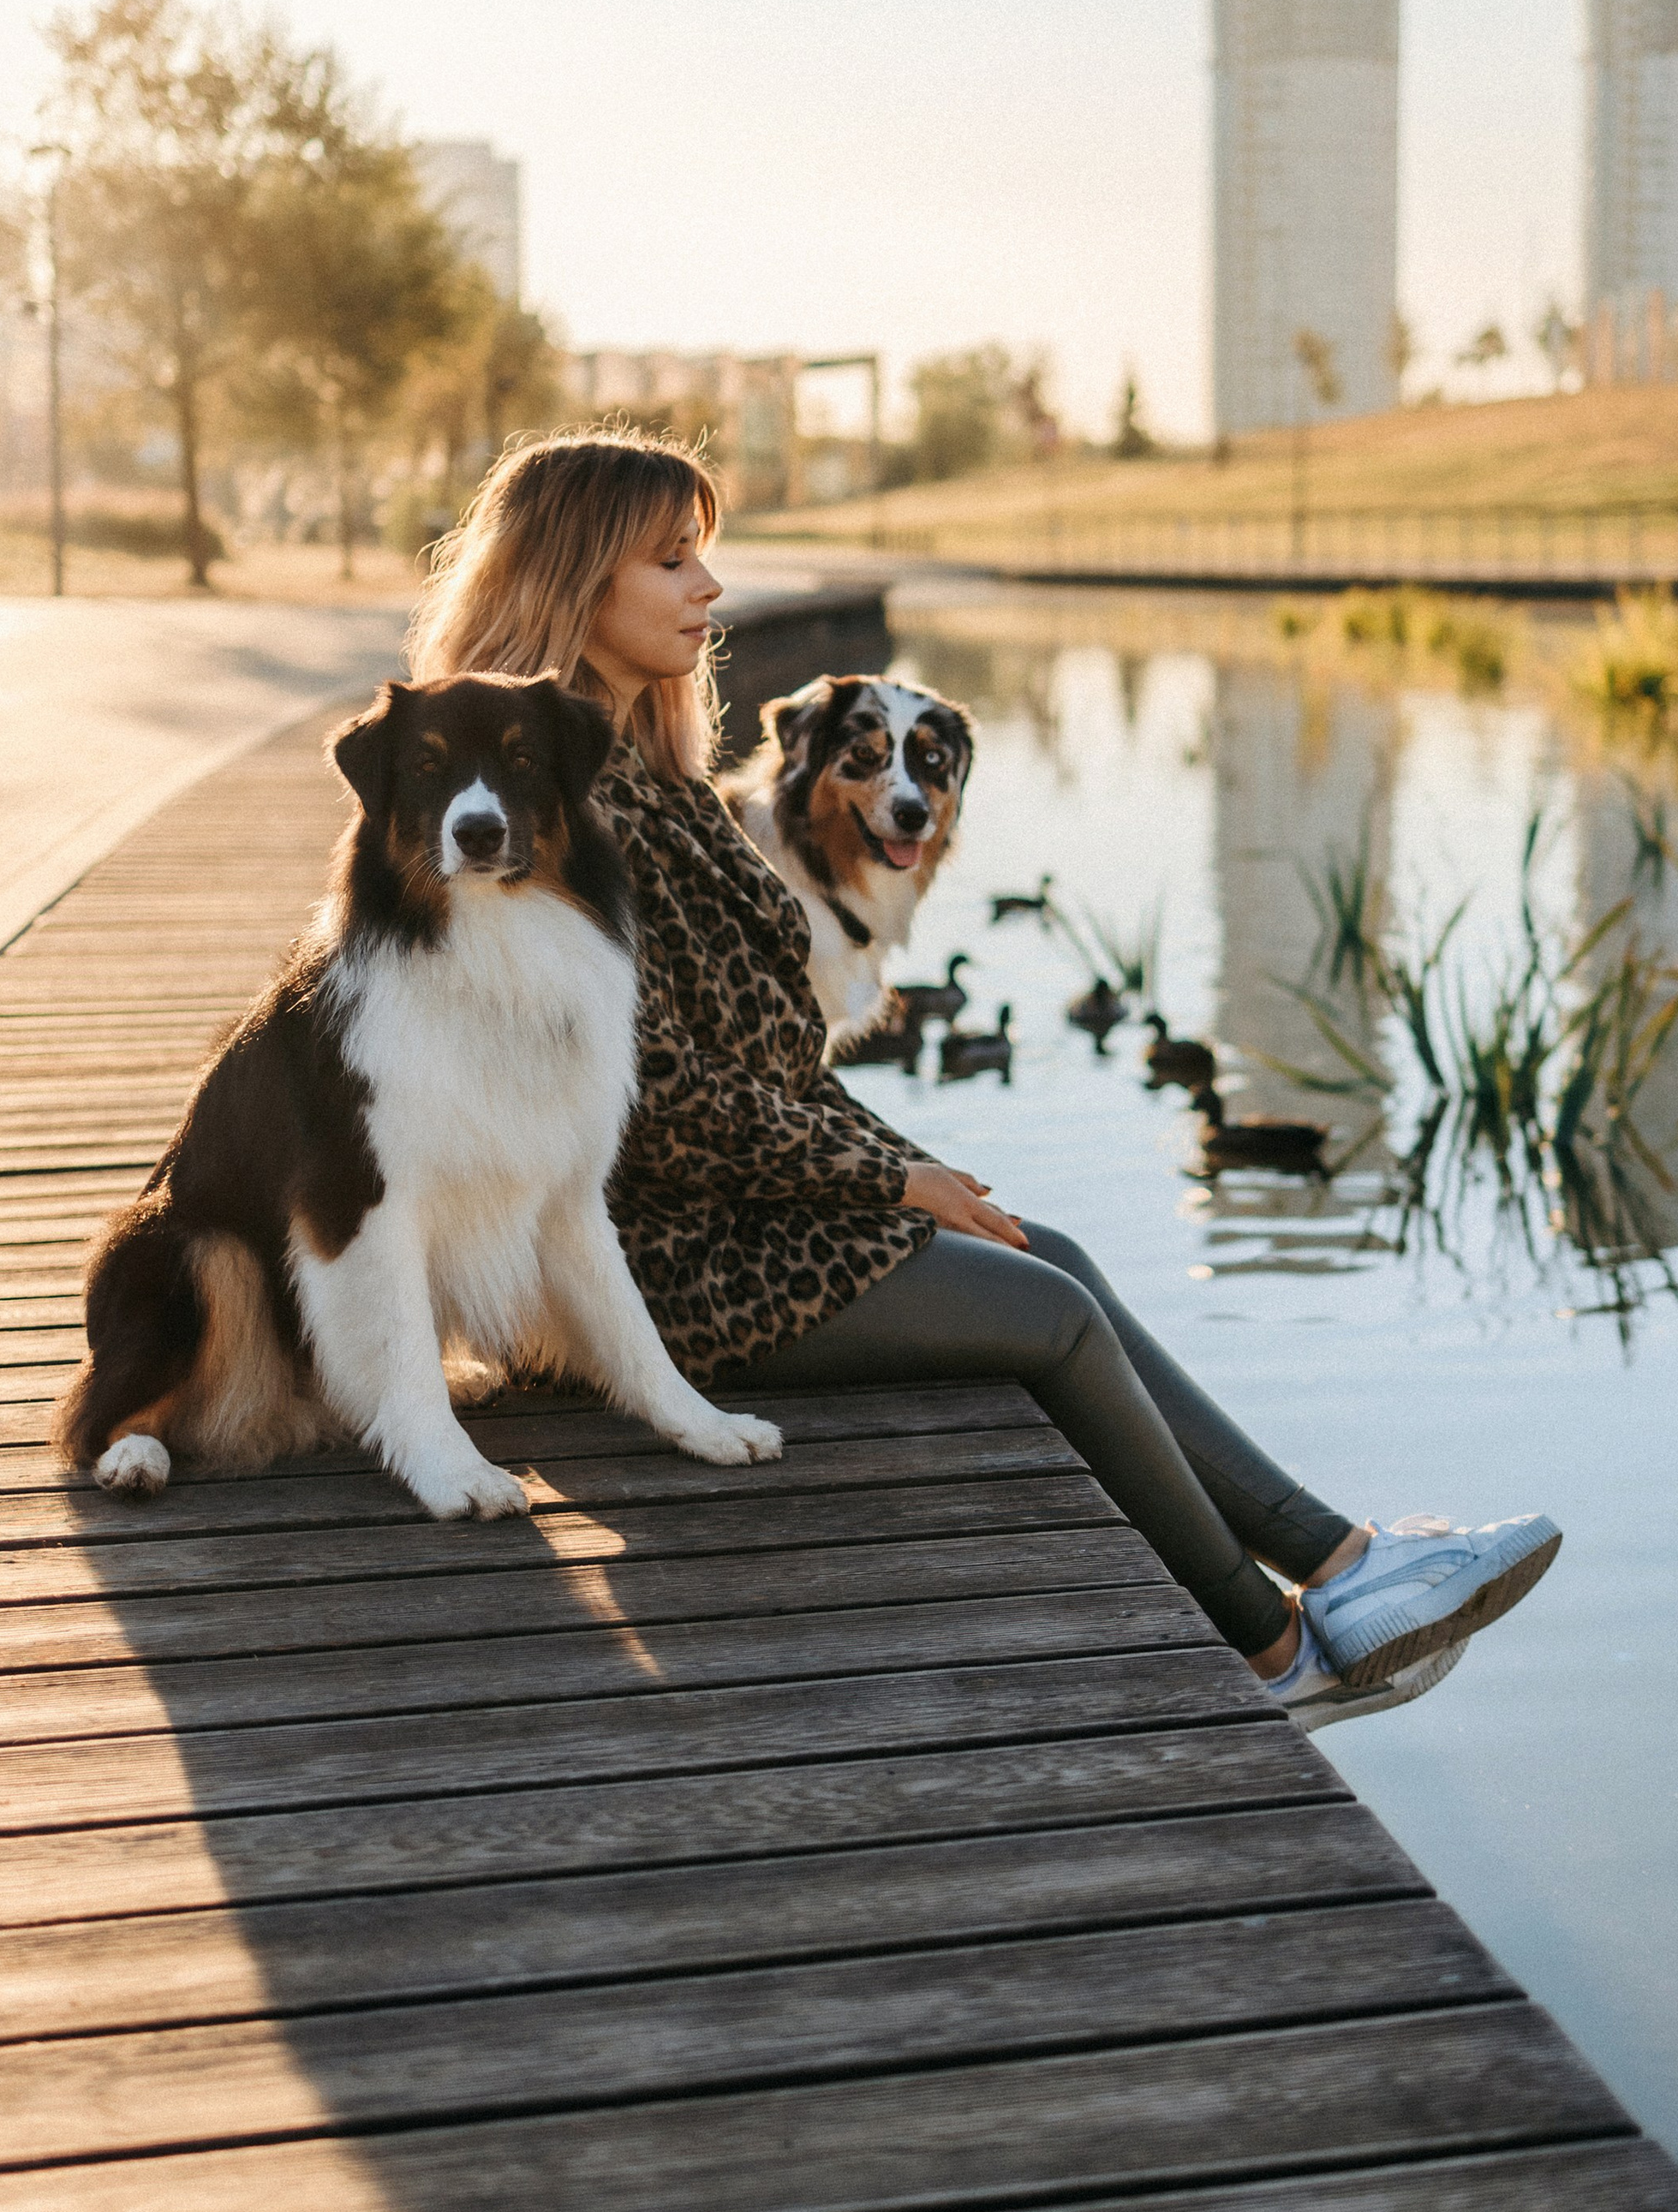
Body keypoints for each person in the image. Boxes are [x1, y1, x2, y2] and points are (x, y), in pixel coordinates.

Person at [407, 427, 1559, 1724]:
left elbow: (764, 1056)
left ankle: (1346, 1567)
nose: (709, 588)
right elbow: (659, 1103)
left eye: (704, 556)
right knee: (1048, 1315)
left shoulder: (655, 778)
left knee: (1047, 1248)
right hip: (644, 1264)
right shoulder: (553, 809)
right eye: (672, 560)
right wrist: (892, 1178)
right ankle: (1273, 1650)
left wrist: (919, 1172)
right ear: (575, 580)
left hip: (721, 1215)